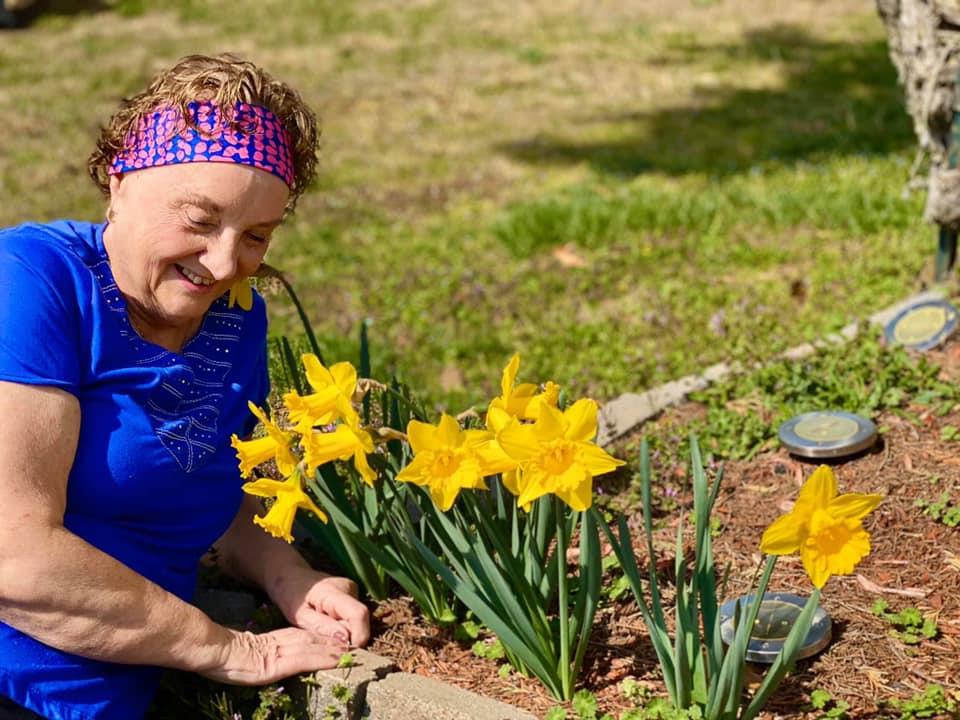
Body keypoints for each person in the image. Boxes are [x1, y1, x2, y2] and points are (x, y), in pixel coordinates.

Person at [0, 53, 370, 720]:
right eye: (199, 220)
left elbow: (214, 490)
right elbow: (12, 556)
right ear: (119, 183)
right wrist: (228, 650)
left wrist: (291, 579)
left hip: (116, 695)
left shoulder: (235, 316)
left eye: (256, 236)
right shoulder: (31, 282)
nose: (225, 264)